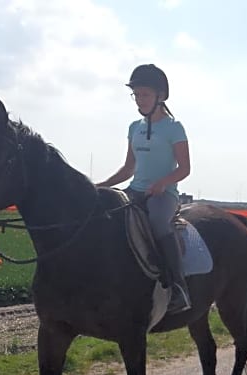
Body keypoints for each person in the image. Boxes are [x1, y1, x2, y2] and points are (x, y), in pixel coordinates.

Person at [98, 64, 192, 314]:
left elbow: (184, 168)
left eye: (144, 94)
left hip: (164, 195)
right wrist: (101, 186)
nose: (139, 100)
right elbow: (129, 168)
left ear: (160, 96)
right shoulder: (134, 128)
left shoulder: (174, 128)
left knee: (159, 223)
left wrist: (162, 183)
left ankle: (178, 287)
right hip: (135, 190)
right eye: (136, 95)